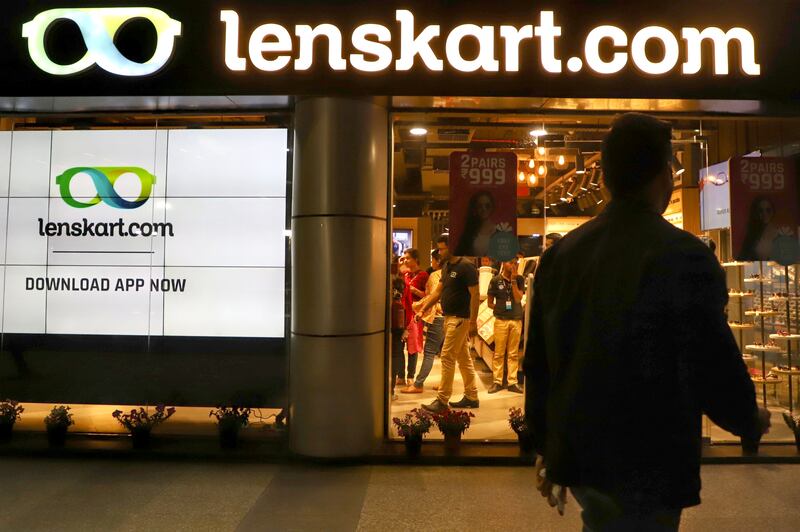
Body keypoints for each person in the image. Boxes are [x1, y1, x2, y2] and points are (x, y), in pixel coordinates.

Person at [525, 113, 771, 531]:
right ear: (665, 175)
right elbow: (710, 357)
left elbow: (541, 362)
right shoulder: (685, 256)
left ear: (604, 178)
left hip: (583, 448)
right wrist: (747, 417)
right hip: (651, 451)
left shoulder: (562, 255)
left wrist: (546, 443)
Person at [417, 235, 480, 413]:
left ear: (452, 248)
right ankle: (472, 396)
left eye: (442, 248)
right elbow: (437, 292)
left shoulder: (466, 266)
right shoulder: (447, 266)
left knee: (447, 357)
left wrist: (473, 321)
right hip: (448, 318)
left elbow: (475, 295)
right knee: (463, 358)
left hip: (460, 319)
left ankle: (442, 400)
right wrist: (423, 309)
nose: (439, 252)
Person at [403, 250, 444, 393]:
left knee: (429, 352)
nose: (431, 262)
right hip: (452, 316)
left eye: (433, 259)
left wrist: (419, 308)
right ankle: (448, 384)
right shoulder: (451, 274)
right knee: (450, 354)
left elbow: (432, 296)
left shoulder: (432, 275)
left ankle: (418, 383)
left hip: (437, 315)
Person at [486, 258, 525, 394]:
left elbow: (518, 298)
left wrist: (513, 281)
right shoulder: (495, 280)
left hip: (516, 320)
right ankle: (497, 382)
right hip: (501, 320)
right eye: (510, 262)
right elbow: (489, 303)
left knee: (513, 353)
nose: (513, 265)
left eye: (515, 263)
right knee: (499, 353)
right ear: (503, 263)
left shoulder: (520, 279)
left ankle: (512, 382)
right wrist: (500, 308)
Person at [401, 248, 428, 386]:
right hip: (402, 314)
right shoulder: (404, 275)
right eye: (404, 258)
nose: (405, 260)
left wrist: (414, 290)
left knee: (412, 346)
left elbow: (428, 296)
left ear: (416, 259)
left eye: (408, 258)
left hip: (415, 315)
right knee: (399, 345)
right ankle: (400, 375)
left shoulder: (423, 275)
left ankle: (410, 376)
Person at [455, 191, 496, 257]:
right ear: (475, 208)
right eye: (480, 206)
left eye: (487, 205)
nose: (484, 209)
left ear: (492, 207)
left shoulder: (499, 231)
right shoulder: (468, 233)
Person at [738, 196, 779, 261]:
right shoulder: (751, 236)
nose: (764, 214)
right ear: (756, 212)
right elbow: (743, 257)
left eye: (768, 210)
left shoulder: (779, 233)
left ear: (773, 211)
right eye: (760, 210)